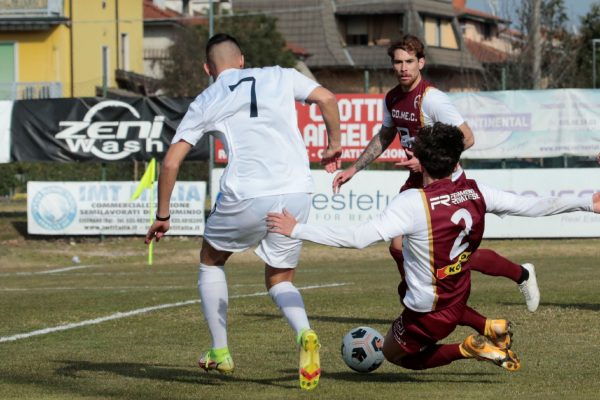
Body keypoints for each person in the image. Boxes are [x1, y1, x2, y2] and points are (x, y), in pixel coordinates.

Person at [267, 122, 599, 372]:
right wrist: (586, 203)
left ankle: (469, 348)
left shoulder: (414, 202)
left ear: (420, 162)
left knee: (395, 355)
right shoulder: (476, 190)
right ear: (455, 160)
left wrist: (297, 228)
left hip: (428, 310)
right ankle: (483, 327)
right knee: (400, 253)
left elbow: (357, 238)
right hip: (458, 291)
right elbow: (534, 206)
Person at [144, 33, 342, 390]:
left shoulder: (208, 97)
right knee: (280, 277)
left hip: (248, 194)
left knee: (211, 259)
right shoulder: (280, 74)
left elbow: (171, 162)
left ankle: (220, 351)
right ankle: (305, 333)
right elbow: (327, 98)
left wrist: (163, 215)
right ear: (242, 60)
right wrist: (334, 145)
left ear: (208, 68)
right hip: (297, 190)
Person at [331, 34, 540, 315]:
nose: (403, 67)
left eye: (409, 61)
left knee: (457, 256)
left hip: (446, 180)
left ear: (421, 63)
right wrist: (354, 168)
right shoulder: (392, 98)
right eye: (398, 62)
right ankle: (422, 297)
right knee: (397, 244)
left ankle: (521, 275)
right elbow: (385, 135)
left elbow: (467, 138)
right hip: (419, 181)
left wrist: (428, 161)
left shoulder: (432, 99)